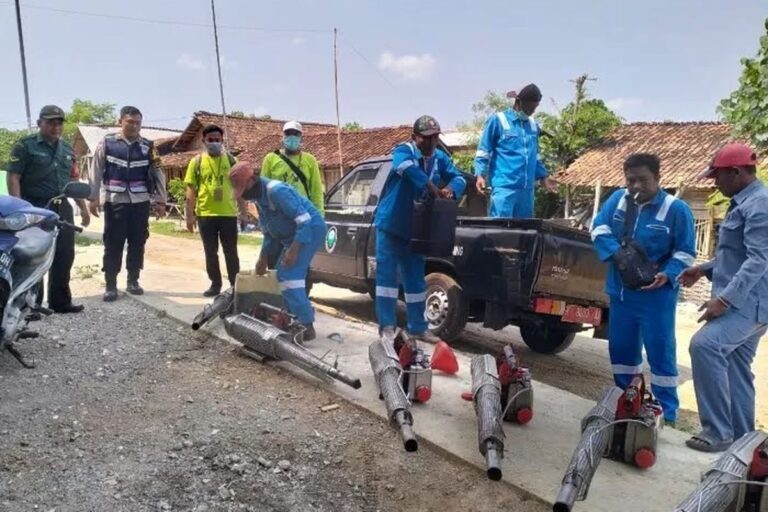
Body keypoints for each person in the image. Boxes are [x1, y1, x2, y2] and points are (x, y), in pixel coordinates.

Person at [591, 153, 695, 425]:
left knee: (661, 351)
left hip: (656, 297)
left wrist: (669, 274)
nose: (636, 185)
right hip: (622, 293)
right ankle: (629, 402)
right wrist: (617, 254)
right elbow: (598, 228)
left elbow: (685, 252)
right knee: (622, 351)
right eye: (631, 180)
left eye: (643, 180)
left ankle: (665, 412)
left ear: (658, 178)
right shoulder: (617, 201)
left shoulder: (677, 210)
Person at [679, 143, 768, 452]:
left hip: (749, 303)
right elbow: (736, 255)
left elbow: (758, 260)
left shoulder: (760, 205)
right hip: (751, 302)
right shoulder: (745, 201)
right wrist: (703, 269)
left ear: (736, 172)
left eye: (717, 176)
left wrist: (725, 300)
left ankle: (717, 432)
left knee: (705, 346)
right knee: (735, 367)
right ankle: (745, 442)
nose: (714, 183)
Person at [374, 115, 466, 341]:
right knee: (386, 279)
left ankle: (418, 327)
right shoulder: (404, 151)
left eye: (435, 138)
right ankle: (387, 327)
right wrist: (431, 186)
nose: (432, 142)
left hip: (416, 231)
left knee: (415, 280)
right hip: (391, 225)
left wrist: (451, 189)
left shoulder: (440, 158)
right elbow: (404, 168)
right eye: (427, 138)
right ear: (415, 137)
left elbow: (459, 178)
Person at [6, 105, 90, 313]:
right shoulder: (25, 146)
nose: (56, 126)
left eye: (59, 122)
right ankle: (30, 305)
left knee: (64, 254)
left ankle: (60, 302)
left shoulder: (68, 149)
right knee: (33, 256)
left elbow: (73, 179)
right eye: (51, 122)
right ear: (40, 123)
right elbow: (13, 176)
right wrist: (20, 208)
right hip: (34, 206)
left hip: (62, 206)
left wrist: (84, 208)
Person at [229, 161, 326, 341]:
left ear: (252, 179)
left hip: (309, 231)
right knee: (282, 274)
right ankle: (292, 317)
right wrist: (263, 258)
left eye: (244, 189)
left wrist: (294, 250)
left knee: (288, 276)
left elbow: (304, 220)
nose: (245, 196)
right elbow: (269, 232)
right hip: (291, 236)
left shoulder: (277, 191)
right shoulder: (259, 199)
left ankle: (306, 325)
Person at [88, 106, 167, 302]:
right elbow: (95, 170)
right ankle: (111, 284)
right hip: (115, 201)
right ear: (120, 121)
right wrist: (93, 197)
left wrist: (161, 200)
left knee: (138, 242)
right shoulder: (107, 143)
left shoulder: (148, 146)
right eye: (129, 122)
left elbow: (158, 173)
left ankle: (133, 280)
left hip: (140, 202)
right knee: (113, 243)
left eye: (137, 122)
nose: (134, 126)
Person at [473, 83, 557, 218]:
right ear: (518, 102)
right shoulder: (498, 120)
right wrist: (480, 175)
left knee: (524, 233)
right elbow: (484, 150)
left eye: (535, 107)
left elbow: (534, 156)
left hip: (526, 192)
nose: (533, 111)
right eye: (531, 107)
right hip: (505, 188)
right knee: (500, 231)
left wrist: (544, 177)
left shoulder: (533, 126)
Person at [184, 124, 240, 296]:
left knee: (231, 251)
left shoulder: (232, 161)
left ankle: (234, 285)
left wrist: (244, 212)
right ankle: (215, 284)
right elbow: (190, 191)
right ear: (203, 141)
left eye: (217, 140)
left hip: (228, 214)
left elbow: (240, 187)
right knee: (210, 252)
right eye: (211, 140)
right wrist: (189, 216)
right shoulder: (196, 162)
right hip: (205, 215)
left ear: (222, 141)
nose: (214, 143)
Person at [261, 121, 325, 215]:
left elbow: (316, 191)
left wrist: (319, 215)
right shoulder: (271, 159)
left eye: (296, 134)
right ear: (283, 136)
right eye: (288, 133)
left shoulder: (310, 160)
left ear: (300, 137)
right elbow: (263, 189)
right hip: (279, 214)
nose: (292, 136)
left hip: (303, 213)